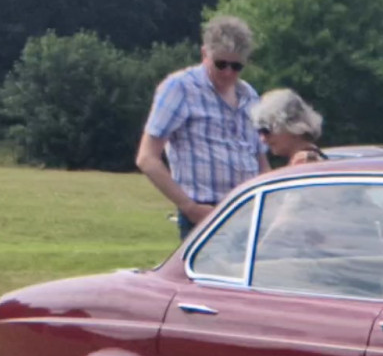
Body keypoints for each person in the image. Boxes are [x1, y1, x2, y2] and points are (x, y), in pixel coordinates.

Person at [136, 16, 268, 239]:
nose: (228, 72)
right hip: (204, 212)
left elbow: (260, 160)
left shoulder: (249, 95)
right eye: (221, 64)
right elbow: (147, 158)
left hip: (248, 211)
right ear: (205, 54)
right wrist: (189, 207)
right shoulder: (180, 88)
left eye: (236, 66)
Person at [252, 89, 326, 166]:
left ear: (292, 126)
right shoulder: (312, 156)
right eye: (259, 131)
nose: (263, 139)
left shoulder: (303, 161)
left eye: (266, 131)